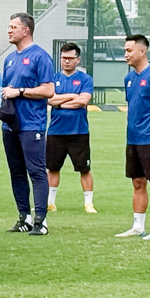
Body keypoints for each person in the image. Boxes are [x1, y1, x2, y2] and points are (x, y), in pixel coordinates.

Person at [1, 12, 56, 235]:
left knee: (36, 171)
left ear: (26, 30)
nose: (9, 30)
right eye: (9, 26)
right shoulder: (9, 59)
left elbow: (49, 90)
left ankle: (40, 220)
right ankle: (23, 217)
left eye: (13, 26)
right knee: (16, 171)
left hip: (32, 124)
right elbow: (6, 89)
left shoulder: (40, 57)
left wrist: (20, 91)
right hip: (10, 125)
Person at [115, 34, 150, 240]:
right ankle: (138, 226)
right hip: (133, 139)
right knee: (137, 182)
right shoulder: (129, 79)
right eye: (125, 51)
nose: (126, 55)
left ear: (142, 51)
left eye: (129, 51)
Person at [46, 42, 96, 214]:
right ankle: (50, 202)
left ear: (78, 60)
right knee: (52, 168)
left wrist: (61, 102)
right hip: (56, 131)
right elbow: (50, 100)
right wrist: (72, 96)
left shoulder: (85, 79)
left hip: (79, 131)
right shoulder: (53, 79)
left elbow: (83, 101)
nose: (66, 61)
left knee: (84, 168)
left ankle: (88, 203)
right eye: (63, 58)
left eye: (70, 58)